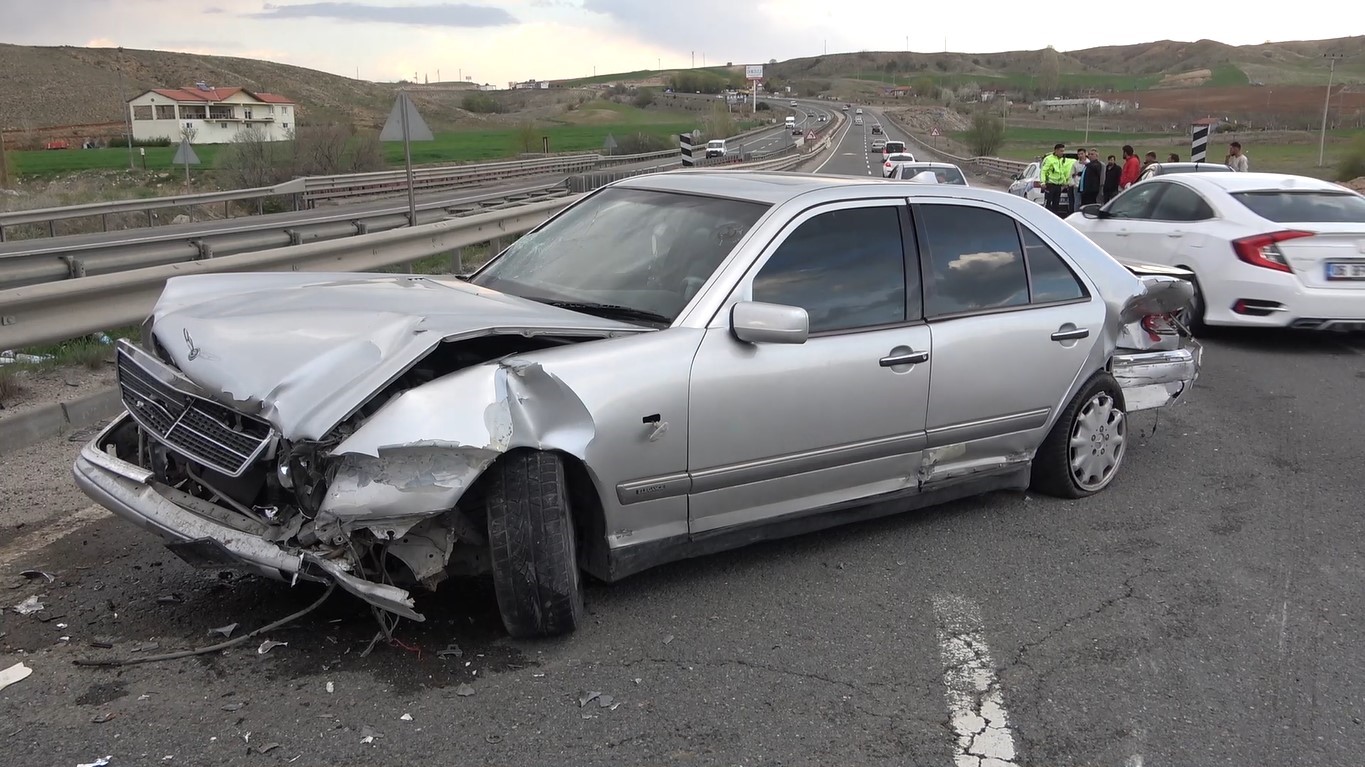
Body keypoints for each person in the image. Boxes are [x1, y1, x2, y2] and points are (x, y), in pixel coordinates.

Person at [1041, 143, 1070, 216]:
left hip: (1058, 185)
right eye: (1061, 151)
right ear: (1056, 151)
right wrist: (1043, 182)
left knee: (1056, 204)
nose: (1062, 153)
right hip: (1050, 185)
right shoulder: (1049, 159)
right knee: (1048, 203)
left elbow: (1061, 172)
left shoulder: (1061, 160)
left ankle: (1054, 217)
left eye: (1063, 151)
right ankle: (1045, 216)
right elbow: (1043, 171)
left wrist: (1065, 182)